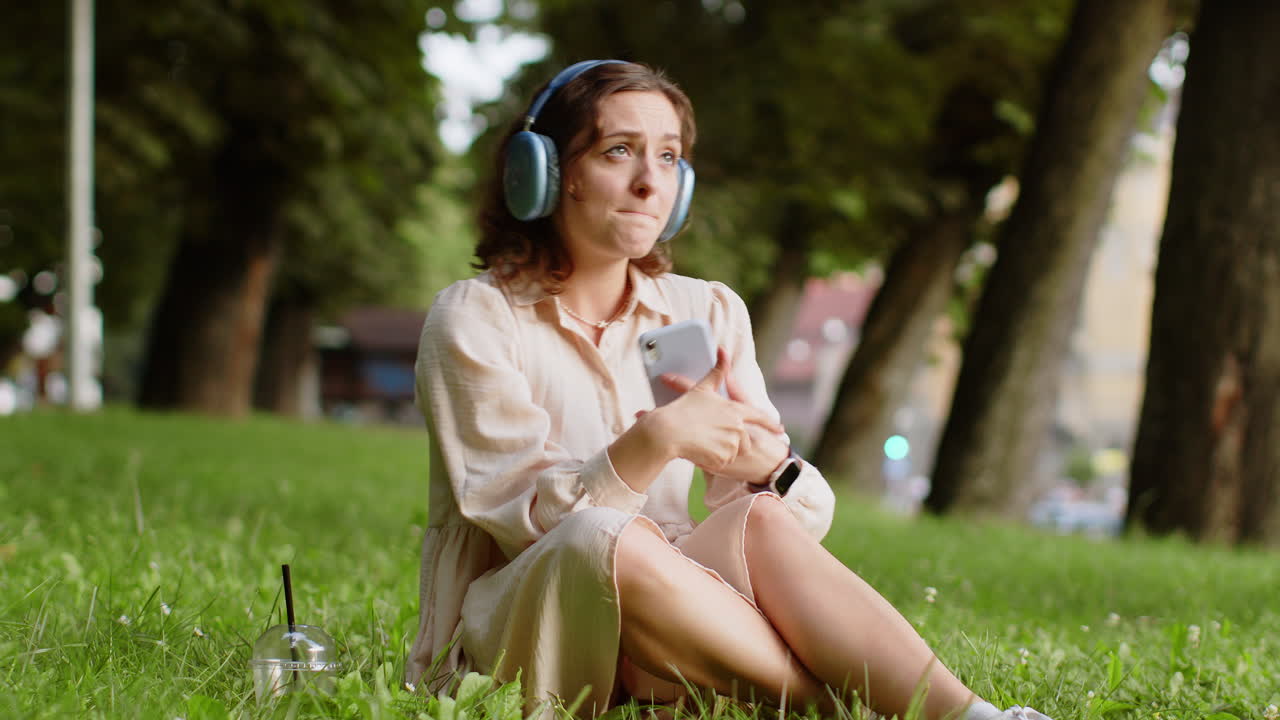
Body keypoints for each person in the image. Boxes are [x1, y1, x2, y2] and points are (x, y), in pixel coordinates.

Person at [406, 60, 1053, 720]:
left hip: (671, 618)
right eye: (618, 151)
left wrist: (767, 469)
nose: (648, 181)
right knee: (603, 535)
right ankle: (827, 710)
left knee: (761, 516)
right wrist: (652, 443)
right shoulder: (475, 318)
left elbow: (794, 530)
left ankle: (972, 716)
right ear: (545, 171)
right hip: (525, 625)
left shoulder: (704, 312)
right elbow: (520, 523)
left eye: (668, 157)